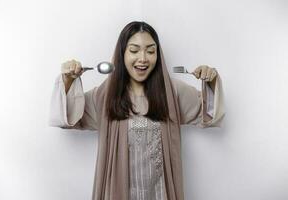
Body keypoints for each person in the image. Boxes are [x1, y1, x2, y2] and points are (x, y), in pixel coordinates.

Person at [49, 21, 225, 200]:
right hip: (118, 193)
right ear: (122, 54)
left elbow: (209, 113)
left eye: (150, 51)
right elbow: (68, 116)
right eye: (134, 50)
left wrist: (209, 81)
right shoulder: (105, 95)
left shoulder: (172, 92)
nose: (143, 58)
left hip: (160, 194)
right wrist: (68, 80)